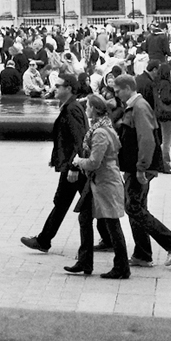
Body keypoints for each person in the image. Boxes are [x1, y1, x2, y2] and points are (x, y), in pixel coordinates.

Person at [113, 73, 171, 268]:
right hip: (136, 166)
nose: (116, 94)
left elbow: (146, 139)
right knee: (136, 207)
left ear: (127, 88)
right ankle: (142, 254)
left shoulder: (138, 107)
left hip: (140, 167)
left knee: (133, 207)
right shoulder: (137, 106)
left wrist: (142, 167)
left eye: (118, 90)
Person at [63, 92, 130, 279]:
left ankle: (122, 266)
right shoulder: (103, 128)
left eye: (87, 107)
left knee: (112, 223)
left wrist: (78, 161)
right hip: (97, 182)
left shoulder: (100, 132)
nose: (86, 110)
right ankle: (85, 261)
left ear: (93, 109)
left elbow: (94, 162)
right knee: (85, 218)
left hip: (105, 182)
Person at [21, 73, 90, 254]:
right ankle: (44, 239)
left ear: (68, 88)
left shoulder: (72, 109)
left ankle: (44, 240)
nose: (55, 88)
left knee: (70, 203)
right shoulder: (69, 106)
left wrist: (74, 166)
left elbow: (79, 139)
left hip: (73, 166)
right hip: (72, 165)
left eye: (58, 85)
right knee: (75, 202)